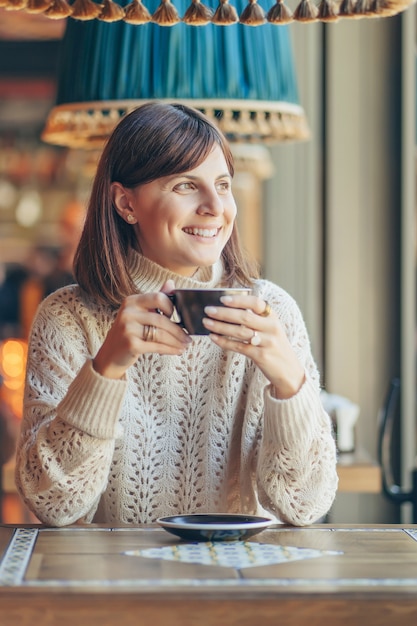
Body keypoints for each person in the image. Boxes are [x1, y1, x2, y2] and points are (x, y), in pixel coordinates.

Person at [15, 102, 338, 527]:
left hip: (243, 583)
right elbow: (54, 504)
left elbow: (306, 506)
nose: (214, 207)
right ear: (125, 202)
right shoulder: (67, 318)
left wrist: (288, 382)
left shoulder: (272, 312)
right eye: (186, 185)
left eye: (223, 185)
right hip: (113, 586)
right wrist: (105, 369)